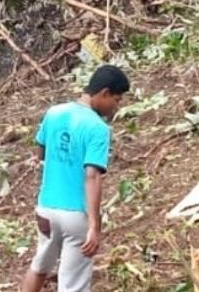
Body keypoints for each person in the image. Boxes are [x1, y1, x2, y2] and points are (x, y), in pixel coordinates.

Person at [21, 64, 130, 292]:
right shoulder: (97, 128)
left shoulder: (54, 112)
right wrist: (94, 225)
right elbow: (92, 176)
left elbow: (40, 151)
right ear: (105, 93)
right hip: (75, 216)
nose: (115, 107)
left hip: (46, 211)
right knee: (73, 285)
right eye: (116, 100)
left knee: (39, 266)